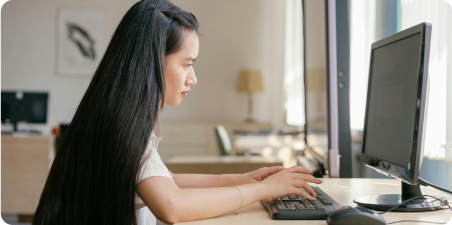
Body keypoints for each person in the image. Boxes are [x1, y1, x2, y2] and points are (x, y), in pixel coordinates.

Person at [32, 0, 323, 225]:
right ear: (152, 62)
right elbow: (171, 207)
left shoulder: (113, 111)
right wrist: (262, 192)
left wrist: (246, 179)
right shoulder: (121, 123)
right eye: (186, 64)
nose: (192, 78)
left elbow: (165, 180)